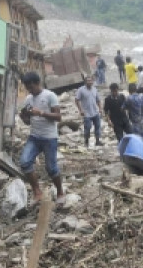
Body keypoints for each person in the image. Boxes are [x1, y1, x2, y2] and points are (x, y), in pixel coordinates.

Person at [19, 71, 65, 205]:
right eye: (28, 88)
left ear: (37, 83)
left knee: (51, 168)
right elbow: (28, 121)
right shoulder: (28, 99)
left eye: (31, 87)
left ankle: (60, 192)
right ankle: (37, 192)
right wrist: (24, 118)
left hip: (49, 138)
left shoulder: (50, 96)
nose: (30, 90)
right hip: (34, 137)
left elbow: (58, 117)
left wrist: (41, 113)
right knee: (25, 162)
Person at [75, 75, 102, 148]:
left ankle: (97, 141)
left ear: (92, 82)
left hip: (95, 112)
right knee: (87, 127)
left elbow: (98, 100)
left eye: (91, 81)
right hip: (86, 113)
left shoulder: (94, 89)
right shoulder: (81, 90)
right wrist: (80, 110)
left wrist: (100, 108)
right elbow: (77, 100)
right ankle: (86, 140)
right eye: (88, 81)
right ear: (85, 82)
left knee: (98, 126)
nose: (90, 82)